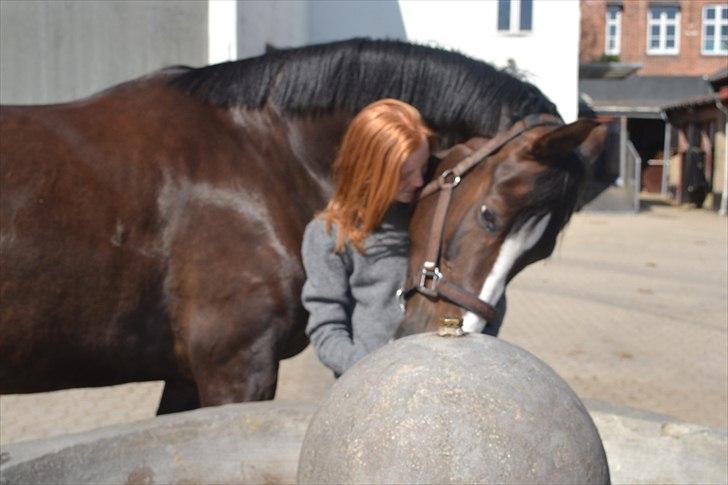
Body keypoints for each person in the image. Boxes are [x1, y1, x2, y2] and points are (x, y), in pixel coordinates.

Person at [301, 98, 435, 377]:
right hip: (368, 389)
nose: (419, 182)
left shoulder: (429, 216)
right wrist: (367, 373)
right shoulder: (330, 234)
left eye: (422, 169)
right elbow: (326, 328)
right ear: (369, 169)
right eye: (404, 174)